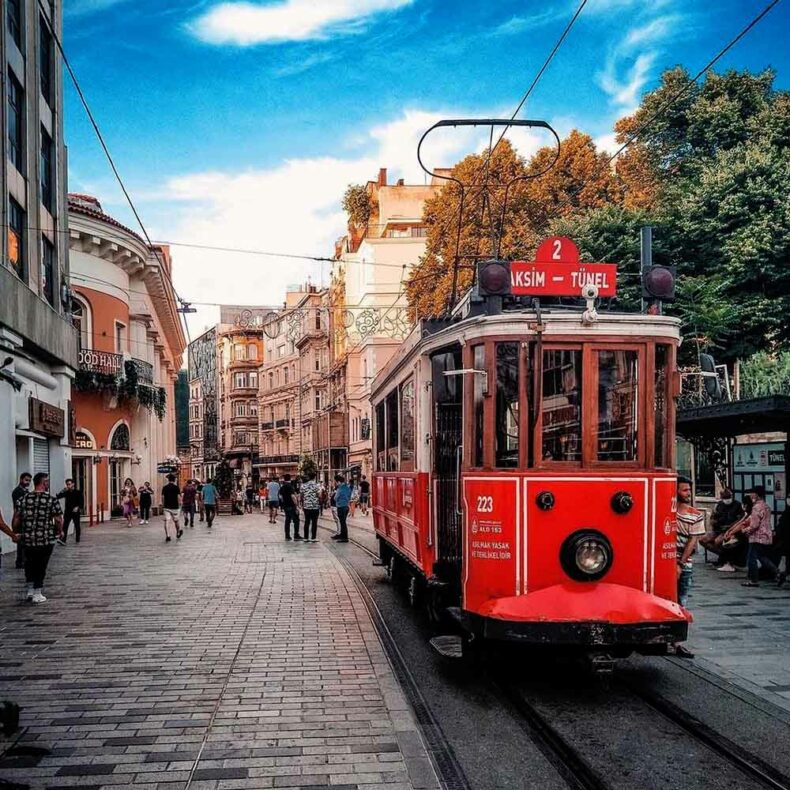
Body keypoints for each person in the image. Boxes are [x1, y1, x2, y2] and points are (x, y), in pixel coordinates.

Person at [12, 473, 63, 603]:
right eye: (47, 482)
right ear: (44, 482)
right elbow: (58, 519)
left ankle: (30, 590)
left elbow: (16, 518)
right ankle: (37, 592)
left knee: (29, 563)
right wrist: (59, 531)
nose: (48, 484)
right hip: (44, 538)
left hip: (27, 538)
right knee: (41, 564)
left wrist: (15, 532)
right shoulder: (51, 500)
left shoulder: (23, 499)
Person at [673, 476, 706, 658]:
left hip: (683, 563)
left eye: (689, 490)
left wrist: (680, 563)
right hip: (666, 561)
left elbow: (693, 542)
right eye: (685, 490)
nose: (688, 493)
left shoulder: (695, 514)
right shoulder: (666, 511)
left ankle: (678, 642)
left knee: (682, 600)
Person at [725, 486, 779, 588]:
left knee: (751, 558)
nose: (750, 495)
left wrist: (745, 530)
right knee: (762, 557)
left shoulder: (756, 507)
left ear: (757, 494)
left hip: (757, 536)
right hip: (766, 535)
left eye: (752, 493)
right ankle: (777, 573)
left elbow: (754, 525)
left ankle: (753, 580)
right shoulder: (766, 506)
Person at [699, 488, 745, 572]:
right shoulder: (719, 505)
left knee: (718, 541)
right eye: (725, 497)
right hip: (718, 528)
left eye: (728, 497)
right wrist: (714, 522)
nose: (727, 500)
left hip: (730, 529)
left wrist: (731, 528)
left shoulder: (738, 505)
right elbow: (713, 517)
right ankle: (722, 555)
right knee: (703, 540)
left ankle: (726, 559)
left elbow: (740, 519)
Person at [12, 472, 32, 568]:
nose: (28, 482)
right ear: (21, 479)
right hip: (20, 519)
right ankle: (20, 561)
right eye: (26, 480)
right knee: (21, 542)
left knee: (24, 541)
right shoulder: (18, 491)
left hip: (25, 519)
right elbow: (19, 508)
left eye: (29, 480)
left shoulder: (25, 491)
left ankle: (22, 560)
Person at [56, 479, 84, 543]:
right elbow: (58, 496)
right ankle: (63, 539)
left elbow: (81, 503)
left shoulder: (78, 492)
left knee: (77, 526)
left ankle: (77, 538)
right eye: (67, 484)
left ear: (73, 484)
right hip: (68, 512)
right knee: (65, 526)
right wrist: (63, 490)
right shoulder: (66, 492)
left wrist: (78, 507)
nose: (68, 486)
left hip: (75, 512)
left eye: (69, 484)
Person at [300, 472, 321, 543]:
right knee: (314, 522)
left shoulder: (303, 485)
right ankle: (313, 538)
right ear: (315, 477)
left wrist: (303, 503)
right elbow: (319, 495)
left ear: (308, 477)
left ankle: (306, 537)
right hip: (315, 506)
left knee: (307, 522)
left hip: (306, 506)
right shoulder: (317, 485)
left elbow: (301, 496)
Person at [161, 474, 183, 542]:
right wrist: (180, 504)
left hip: (167, 506)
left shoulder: (164, 487)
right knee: (176, 520)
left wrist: (163, 504)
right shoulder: (176, 487)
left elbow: (162, 497)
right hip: (175, 507)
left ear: (168, 480)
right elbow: (178, 497)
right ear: (174, 480)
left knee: (167, 520)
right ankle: (178, 531)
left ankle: (168, 535)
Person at [280, 474, 301, 540]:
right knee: (296, 520)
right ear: (290, 478)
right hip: (291, 505)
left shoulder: (282, 487)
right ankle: (296, 535)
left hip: (286, 506)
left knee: (287, 520)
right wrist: (296, 505)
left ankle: (287, 536)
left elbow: (280, 497)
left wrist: (284, 502)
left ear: (284, 479)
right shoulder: (290, 486)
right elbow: (293, 496)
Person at [332, 474, 352, 543]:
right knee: (343, 522)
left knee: (342, 523)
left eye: (336, 482)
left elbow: (335, 498)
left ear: (339, 482)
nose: (336, 483)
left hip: (341, 507)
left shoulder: (339, 489)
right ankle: (342, 535)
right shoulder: (347, 487)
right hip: (346, 506)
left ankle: (345, 537)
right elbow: (350, 496)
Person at [776, 498, 789, 588]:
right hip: (786, 540)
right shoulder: (787, 512)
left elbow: (781, 526)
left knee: (787, 560)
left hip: (786, 540)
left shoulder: (787, 512)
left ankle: (784, 575)